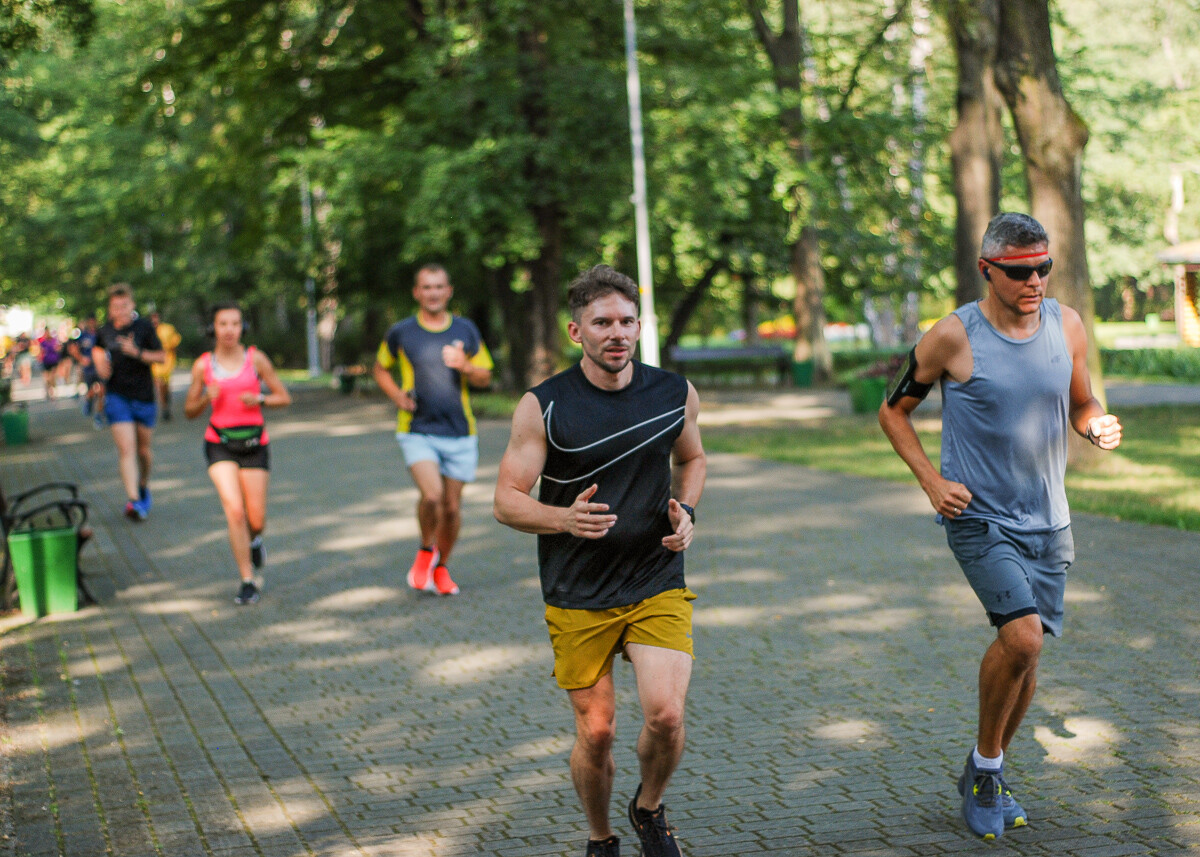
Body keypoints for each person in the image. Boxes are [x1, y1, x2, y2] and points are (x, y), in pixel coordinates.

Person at [878, 212, 1123, 841]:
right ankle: (987, 771)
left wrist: (1095, 424)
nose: (1035, 281)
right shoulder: (952, 336)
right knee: (1024, 640)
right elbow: (893, 411)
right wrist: (932, 482)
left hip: (1050, 519)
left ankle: (986, 768)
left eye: (1043, 268)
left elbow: (1081, 401)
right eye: (1020, 272)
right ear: (988, 270)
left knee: (1025, 655)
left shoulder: (1067, 324)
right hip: (980, 516)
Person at [494, 264, 706, 857]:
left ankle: (648, 808)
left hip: (654, 577)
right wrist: (563, 518)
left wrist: (687, 510)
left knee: (666, 715)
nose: (617, 333)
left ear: (640, 327)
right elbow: (506, 500)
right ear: (576, 331)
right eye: (602, 323)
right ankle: (600, 836)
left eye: (627, 322)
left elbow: (692, 458)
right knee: (598, 731)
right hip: (577, 588)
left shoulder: (674, 392)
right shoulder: (544, 405)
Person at [372, 263, 494, 596]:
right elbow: (380, 369)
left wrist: (465, 365)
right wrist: (397, 395)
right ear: (417, 292)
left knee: (452, 508)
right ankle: (427, 549)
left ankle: (442, 567)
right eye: (427, 287)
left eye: (439, 286)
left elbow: (485, 376)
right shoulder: (401, 332)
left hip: (460, 430)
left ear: (448, 291)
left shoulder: (466, 330)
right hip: (417, 429)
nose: (433, 293)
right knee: (433, 496)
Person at [184, 303, 291, 605]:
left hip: (254, 443)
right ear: (213, 328)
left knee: (256, 518)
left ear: (242, 327)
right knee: (235, 511)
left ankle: (255, 540)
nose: (229, 330)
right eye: (223, 324)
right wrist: (205, 398)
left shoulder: (256, 359)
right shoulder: (203, 365)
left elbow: (284, 397)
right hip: (219, 442)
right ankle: (247, 580)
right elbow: (189, 411)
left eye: (235, 323)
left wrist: (260, 399)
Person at [92, 283, 165, 521]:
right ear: (110, 309)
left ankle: (142, 484)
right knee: (127, 449)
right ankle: (133, 500)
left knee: (143, 451)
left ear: (132, 305)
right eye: (116, 306)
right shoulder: (105, 331)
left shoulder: (144, 327)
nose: (120, 310)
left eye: (124, 306)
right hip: (117, 396)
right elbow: (97, 350)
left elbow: (162, 356)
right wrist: (100, 364)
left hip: (143, 397)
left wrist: (137, 352)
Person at [68, 316, 104, 428]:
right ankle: (88, 400)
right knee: (92, 390)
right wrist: (81, 359)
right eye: (90, 321)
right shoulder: (83, 335)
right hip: (88, 369)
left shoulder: (101, 334)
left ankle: (98, 415)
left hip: (100, 367)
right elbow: (72, 348)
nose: (92, 323)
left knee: (102, 390)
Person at [150, 310, 182, 421]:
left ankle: (166, 403)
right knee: (159, 384)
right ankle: (164, 408)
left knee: (165, 387)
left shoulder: (168, 329)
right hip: (154, 362)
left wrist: (173, 357)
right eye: (152, 318)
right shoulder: (148, 330)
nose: (154, 320)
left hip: (167, 361)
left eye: (156, 317)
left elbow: (174, 343)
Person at [36, 326, 62, 400]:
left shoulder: (54, 341)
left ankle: (53, 391)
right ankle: (48, 391)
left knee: (52, 377)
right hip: (46, 362)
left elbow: (58, 349)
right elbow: (41, 351)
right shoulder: (43, 342)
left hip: (53, 361)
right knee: (47, 378)